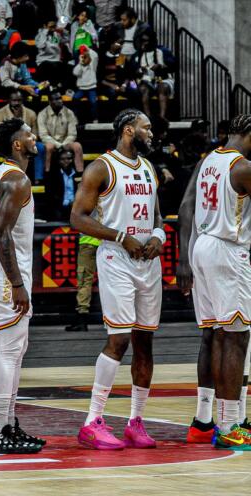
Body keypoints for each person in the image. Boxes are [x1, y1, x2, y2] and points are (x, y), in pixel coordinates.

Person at [71, 109, 164, 450]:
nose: (151, 133)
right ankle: (92, 421)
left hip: (147, 261)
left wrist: (158, 236)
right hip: (116, 258)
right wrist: (121, 237)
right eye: (146, 128)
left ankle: (135, 422)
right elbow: (77, 218)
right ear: (128, 130)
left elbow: (156, 216)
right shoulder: (102, 167)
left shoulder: (148, 167)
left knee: (144, 342)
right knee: (119, 339)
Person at [177, 115, 251, 450]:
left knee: (218, 335)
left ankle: (214, 420)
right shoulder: (243, 168)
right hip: (228, 250)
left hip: (202, 246)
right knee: (236, 337)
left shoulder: (208, 160)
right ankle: (231, 424)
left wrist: (184, 258)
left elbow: (186, 206)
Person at [0, 118, 44, 454]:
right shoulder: (17, 179)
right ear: (17, 144)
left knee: (15, 348)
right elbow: (0, 233)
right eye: (29, 134)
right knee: (9, 349)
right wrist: (16, 283)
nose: (35, 137)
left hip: (1, 271)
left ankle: (8, 424)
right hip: (6, 275)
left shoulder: (4, 173)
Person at [0, 91, 44, 184]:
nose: (17, 103)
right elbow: (0, 135)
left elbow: (35, 134)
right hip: (9, 143)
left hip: (27, 142)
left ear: (23, 100)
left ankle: (38, 179)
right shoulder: (0, 113)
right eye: (14, 100)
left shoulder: (31, 113)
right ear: (9, 100)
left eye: (19, 100)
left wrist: (25, 141)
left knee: (40, 147)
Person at [37, 89, 84, 173]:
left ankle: (80, 174)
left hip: (66, 142)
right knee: (49, 147)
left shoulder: (69, 113)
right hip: (51, 143)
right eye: (56, 99)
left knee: (77, 146)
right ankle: (47, 173)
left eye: (60, 98)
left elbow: (72, 134)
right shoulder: (42, 114)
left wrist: (63, 145)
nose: (60, 101)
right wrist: (58, 145)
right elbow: (43, 135)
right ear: (50, 101)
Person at [133, 30, 175, 121]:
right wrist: (140, 70)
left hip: (163, 78)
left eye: (146, 41)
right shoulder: (138, 54)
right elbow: (133, 70)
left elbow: (172, 67)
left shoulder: (162, 51)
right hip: (147, 79)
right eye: (142, 41)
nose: (144, 43)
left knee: (162, 88)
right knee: (143, 89)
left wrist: (160, 66)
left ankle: (162, 117)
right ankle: (148, 118)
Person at [65, 233, 100, 332]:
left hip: (88, 242)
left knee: (85, 281)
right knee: (112, 280)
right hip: (106, 244)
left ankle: (82, 320)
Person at [35, 17, 69, 90]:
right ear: (45, 26)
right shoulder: (39, 35)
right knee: (53, 68)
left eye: (54, 26)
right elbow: (40, 45)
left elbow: (66, 39)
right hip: (43, 61)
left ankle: (55, 87)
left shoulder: (56, 35)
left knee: (67, 68)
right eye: (51, 27)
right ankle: (42, 88)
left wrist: (63, 31)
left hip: (55, 61)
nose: (53, 29)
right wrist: (45, 32)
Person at [46, 147, 78, 221]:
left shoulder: (77, 174)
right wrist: (67, 202)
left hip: (76, 208)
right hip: (59, 206)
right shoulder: (52, 175)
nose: (66, 161)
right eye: (62, 159)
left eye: (69, 158)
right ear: (58, 160)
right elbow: (51, 195)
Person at [72, 45, 98, 122]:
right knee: (75, 98)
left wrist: (88, 49)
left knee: (93, 102)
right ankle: (75, 118)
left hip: (91, 88)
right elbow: (75, 73)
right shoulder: (80, 65)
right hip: (81, 89)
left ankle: (95, 118)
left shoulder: (93, 65)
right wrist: (81, 63)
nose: (85, 58)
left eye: (86, 57)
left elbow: (95, 55)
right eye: (83, 57)